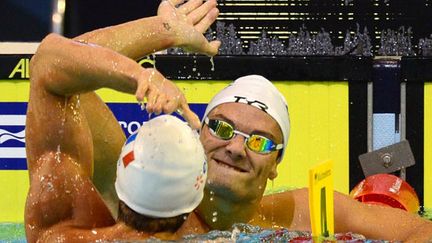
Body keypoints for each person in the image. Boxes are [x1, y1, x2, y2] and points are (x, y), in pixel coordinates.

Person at [25, 0, 432, 242]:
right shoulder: (141, 186)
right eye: (221, 128)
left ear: (276, 165)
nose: (236, 147)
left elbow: (417, 232)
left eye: (259, 141)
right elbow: (56, 64)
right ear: (198, 137)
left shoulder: (307, 213)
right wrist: (158, 37)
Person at [24, 0, 218, 242]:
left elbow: (50, 62)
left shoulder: (59, 233)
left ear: (120, 178)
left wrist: (158, 40)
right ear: (196, 197)